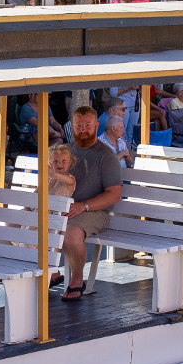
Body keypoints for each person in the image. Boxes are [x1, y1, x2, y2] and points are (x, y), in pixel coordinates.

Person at [60, 107, 123, 301]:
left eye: (87, 125)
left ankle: (77, 279)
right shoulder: (65, 151)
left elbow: (114, 194)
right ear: (72, 127)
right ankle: (51, 273)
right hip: (63, 207)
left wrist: (83, 205)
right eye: (78, 126)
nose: (83, 130)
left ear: (96, 126)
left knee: (70, 235)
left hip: (95, 211)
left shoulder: (107, 156)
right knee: (15, 222)